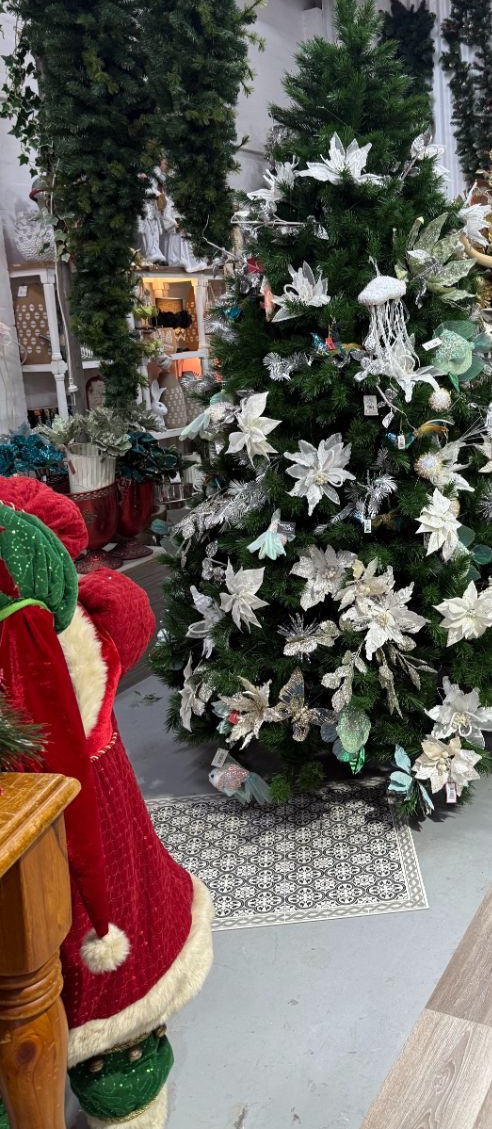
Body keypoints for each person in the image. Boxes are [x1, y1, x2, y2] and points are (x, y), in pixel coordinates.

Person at [0, 475, 213, 1128]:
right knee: (114, 995)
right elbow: (130, 616)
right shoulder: (85, 629)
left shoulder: (46, 654)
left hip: (72, 860)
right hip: (103, 876)